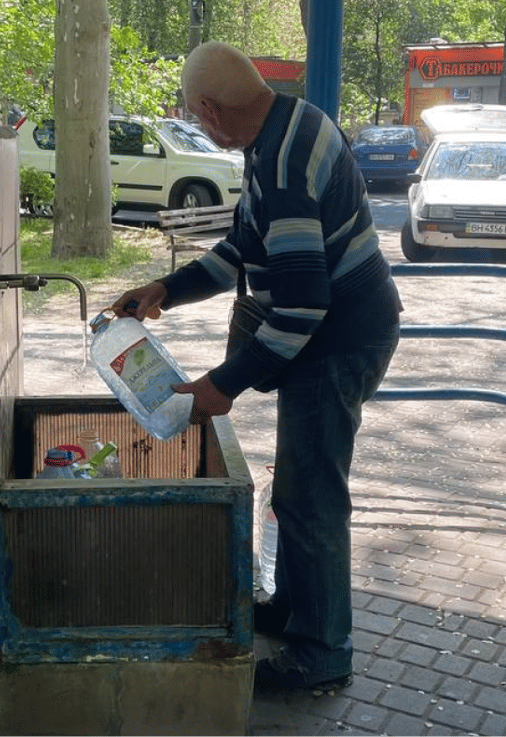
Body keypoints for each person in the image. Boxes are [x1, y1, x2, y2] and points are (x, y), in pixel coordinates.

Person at [111, 41, 401, 692]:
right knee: (298, 489)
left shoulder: (286, 164)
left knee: (312, 498)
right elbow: (247, 243)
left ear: (209, 111)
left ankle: (323, 652)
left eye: (192, 112)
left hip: (337, 343)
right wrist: (170, 287)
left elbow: (302, 307)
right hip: (327, 334)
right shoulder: (284, 126)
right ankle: (294, 608)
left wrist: (222, 385)